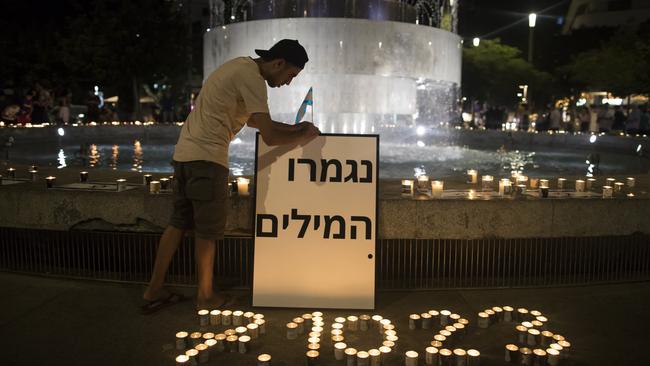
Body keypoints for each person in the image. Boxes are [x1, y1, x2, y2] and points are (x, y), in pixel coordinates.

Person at [141, 39, 320, 314]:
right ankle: (206, 295)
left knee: (178, 222)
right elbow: (270, 137)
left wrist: (295, 127)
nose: (288, 83)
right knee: (208, 231)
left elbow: (253, 121)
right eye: (289, 75)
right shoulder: (253, 78)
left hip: (184, 156)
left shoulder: (238, 67)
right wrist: (301, 136)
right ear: (279, 63)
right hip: (207, 160)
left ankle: (154, 289)